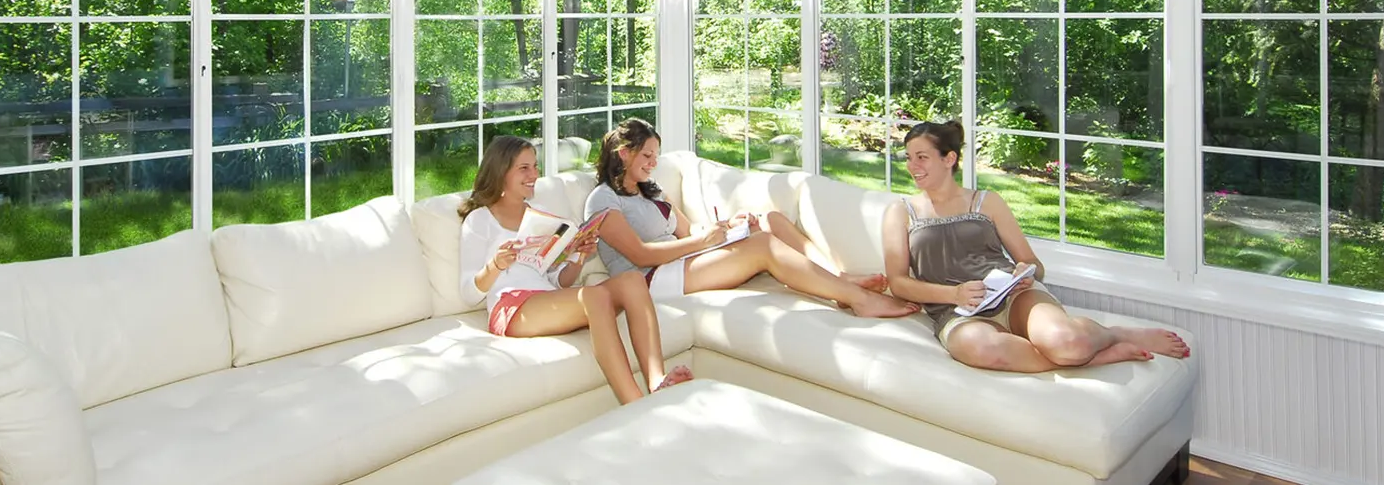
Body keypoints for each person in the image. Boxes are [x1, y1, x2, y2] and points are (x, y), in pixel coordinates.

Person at [881, 121, 1191, 372]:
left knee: (1066, 341)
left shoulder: (987, 202)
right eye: (908, 157)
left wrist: (1025, 273)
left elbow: (1032, 264)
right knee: (980, 348)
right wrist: (954, 294)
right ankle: (1094, 357)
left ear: (949, 159)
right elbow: (898, 283)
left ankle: (1113, 334)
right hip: (957, 312)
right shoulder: (901, 212)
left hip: (1014, 298)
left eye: (922, 157)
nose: (912, 165)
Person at [587, 118, 918, 318]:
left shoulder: (653, 189)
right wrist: (701, 242)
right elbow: (640, 255)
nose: (653, 163)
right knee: (763, 248)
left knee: (771, 221)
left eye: (656, 156)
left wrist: (727, 227)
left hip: (680, 261)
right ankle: (859, 299)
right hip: (650, 280)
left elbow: (688, 230)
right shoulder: (603, 198)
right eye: (647, 155)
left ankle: (840, 278)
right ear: (624, 153)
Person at [459, 135, 692, 405]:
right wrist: (495, 265)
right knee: (594, 296)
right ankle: (636, 404)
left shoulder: (540, 215)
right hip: (511, 307)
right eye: (524, 168)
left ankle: (657, 380)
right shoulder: (480, 220)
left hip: (546, 299)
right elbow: (468, 292)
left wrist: (577, 257)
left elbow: (559, 282)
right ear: (500, 171)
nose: (534, 174)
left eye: (535, 166)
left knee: (631, 281)